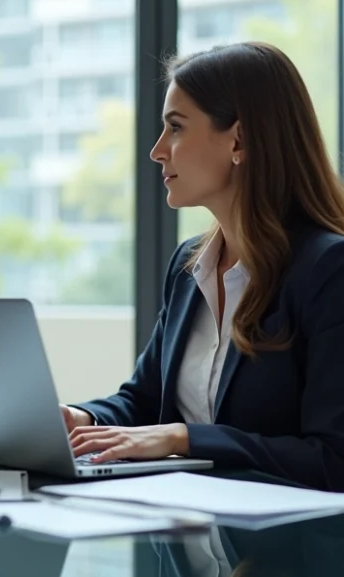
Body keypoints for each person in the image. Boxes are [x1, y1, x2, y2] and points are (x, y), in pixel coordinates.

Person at [61, 41, 344, 492]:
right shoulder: (188, 268)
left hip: (288, 552)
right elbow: (144, 400)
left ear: (238, 139)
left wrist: (186, 439)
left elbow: (333, 459)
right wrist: (82, 418)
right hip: (189, 539)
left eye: (175, 128)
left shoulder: (328, 270)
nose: (157, 150)